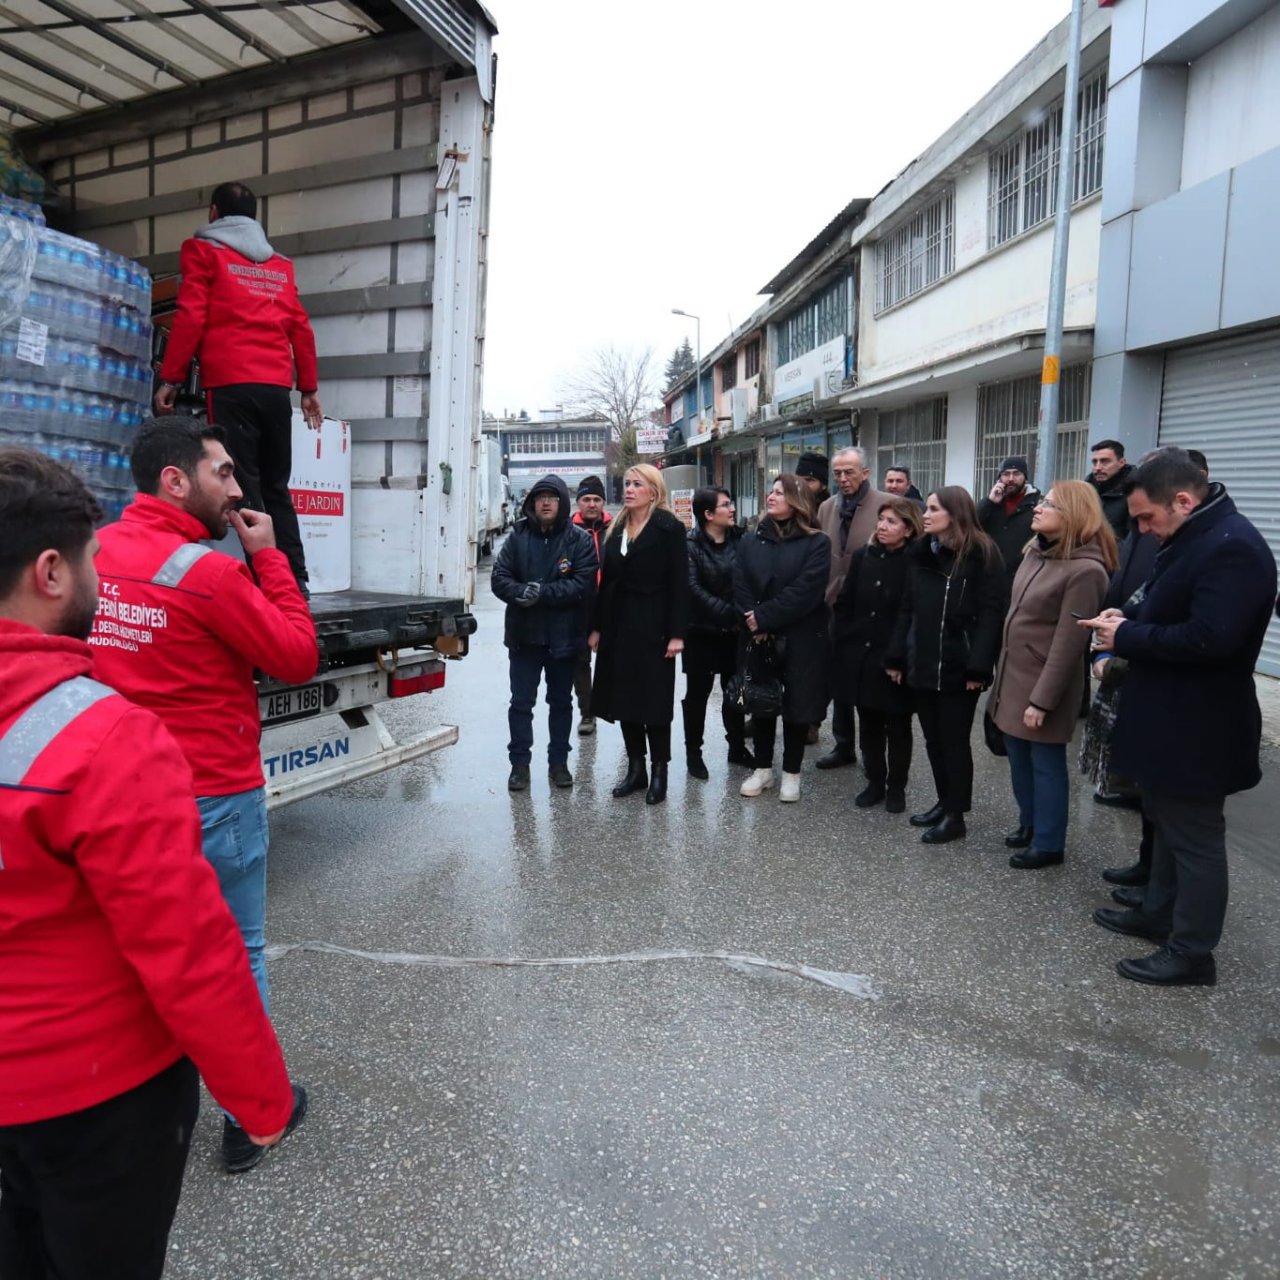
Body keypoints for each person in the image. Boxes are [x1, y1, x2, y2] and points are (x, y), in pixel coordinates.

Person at [0, 448, 303, 1280]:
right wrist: (261, 1101)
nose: (235, 487)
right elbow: (188, 954)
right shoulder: (109, 737)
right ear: (51, 573)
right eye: (90, 563)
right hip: (94, 1091)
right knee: (240, 941)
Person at [89, 416, 317, 1172]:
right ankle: (252, 1115)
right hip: (215, 796)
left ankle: (135, 1111)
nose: (238, 488)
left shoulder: (95, 555)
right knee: (235, 953)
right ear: (175, 480)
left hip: (122, 795)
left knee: (133, 954)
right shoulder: (209, 574)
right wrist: (269, 559)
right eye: (223, 473)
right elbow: (295, 655)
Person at [1082, 448, 1275, 987]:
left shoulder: (1232, 546)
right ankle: (1158, 913)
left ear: (1184, 501)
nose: (1143, 530)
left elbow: (1211, 638)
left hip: (1200, 726)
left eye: (1147, 518)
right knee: (1167, 826)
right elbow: (1170, 602)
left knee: (1195, 841)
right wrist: (1128, 614)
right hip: (1170, 718)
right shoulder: (1195, 535)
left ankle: (1192, 953)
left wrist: (1127, 636)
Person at [154, 181, 321, 593]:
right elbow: (300, 326)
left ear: (214, 213)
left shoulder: (204, 251)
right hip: (275, 388)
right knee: (276, 487)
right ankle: (297, 579)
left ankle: (269, 584)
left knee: (242, 486)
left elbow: (192, 314)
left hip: (231, 383)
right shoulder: (280, 265)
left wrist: (171, 377)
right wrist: (308, 388)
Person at [987, 481, 1116, 869]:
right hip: (1014, 675)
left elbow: (1067, 644)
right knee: (1018, 757)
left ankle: (1048, 843)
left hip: (1045, 681)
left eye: (1049, 504)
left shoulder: (1086, 571)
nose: (1038, 508)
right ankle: (1029, 823)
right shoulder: (1036, 551)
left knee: (1045, 764)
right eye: (1041, 501)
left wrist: (1042, 701)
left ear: (1073, 515)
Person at [886, 486, 1006, 844]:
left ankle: (956, 815)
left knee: (954, 742)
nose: (925, 515)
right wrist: (897, 656)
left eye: (933, 509)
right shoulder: (922, 553)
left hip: (960, 666)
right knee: (933, 740)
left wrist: (979, 666)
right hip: (923, 661)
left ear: (955, 514)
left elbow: (991, 614)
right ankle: (943, 801)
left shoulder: (983, 554)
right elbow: (907, 608)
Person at [589, 464, 689, 805]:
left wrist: (677, 633)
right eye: (627, 483)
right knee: (624, 698)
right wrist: (597, 627)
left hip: (654, 626)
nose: (629, 489)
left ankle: (660, 771)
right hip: (618, 626)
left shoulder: (670, 528)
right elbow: (607, 582)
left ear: (654, 492)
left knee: (654, 702)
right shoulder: (616, 527)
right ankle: (636, 768)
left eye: (637, 484)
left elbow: (679, 583)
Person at [491, 476, 598, 792]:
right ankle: (519, 766)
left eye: (552, 497)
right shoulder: (517, 536)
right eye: (541, 497)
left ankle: (559, 763)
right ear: (532, 503)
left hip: (564, 639)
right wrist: (520, 592)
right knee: (521, 704)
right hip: (524, 638)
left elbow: (583, 584)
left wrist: (543, 593)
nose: (546, 502)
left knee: (561, 703)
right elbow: (499, 578)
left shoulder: (578, 540)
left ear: (562, 502)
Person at [734, 475, 832, 803]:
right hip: (759, 637)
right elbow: (740, 582)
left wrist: (764, 617)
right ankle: (762, 769)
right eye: (772, 491)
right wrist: (753, 620)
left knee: (796, 706)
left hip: (801, 636)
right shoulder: (751, 540)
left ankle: (792, 773)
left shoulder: (817, 543)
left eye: (780, 492)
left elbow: (807, 591)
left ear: (797, 501)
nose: (771, 496)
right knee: (762, 702)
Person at [831, 496, 924, 812]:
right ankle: (874, 782)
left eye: (891, 522)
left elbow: (913, 614)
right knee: (868, 723)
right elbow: (845, 602)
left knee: (897, 726)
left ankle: (896, 787)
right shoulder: (863, 556)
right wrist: (844, 639)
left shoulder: (916, 562)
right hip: (861, 654)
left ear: (908, 529)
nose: (882, 526)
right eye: (881, 520)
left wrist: (899, 657)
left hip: (896, 657)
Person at [813, 447, 890, 772]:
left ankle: (875, 754)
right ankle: (843, 744)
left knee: (871, 683)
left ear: (865, 473)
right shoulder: (827, 507)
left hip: (873, 609)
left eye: (849, 472)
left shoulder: (886, 505)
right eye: (838, 473)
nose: (843, 479)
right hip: (833, 606)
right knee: (839, 677)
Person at [683, 486, 753, 778]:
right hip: (701, 632)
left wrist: (740, 613)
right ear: (709, 514)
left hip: (736, 633)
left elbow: (751, 577)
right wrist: (728, 611)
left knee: (735, 690)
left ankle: (736, 747)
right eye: (726, 505)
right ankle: (694, 754)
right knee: (697, 695)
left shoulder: (743, 540)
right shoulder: (690, 544)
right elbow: (691, 587)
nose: (732, 508)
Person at [570, 475, 611, 737]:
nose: (592, 504)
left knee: (617, 661)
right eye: (586, 499)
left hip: (611, 605)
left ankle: (624, 710)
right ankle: (587, 713)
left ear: (603, 502)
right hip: (579, 607)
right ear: (578, 503)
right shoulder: (567, 531)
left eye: (597, 499)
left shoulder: (617, 528)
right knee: (580, 662)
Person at [978, 456, 1040, 590]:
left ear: (1025, 477)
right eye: (1006, 474)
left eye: (1016, 474)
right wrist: (989, 502)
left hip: (1021, 580)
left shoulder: (1037, 504)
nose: (1011, 479)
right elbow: (973, 524)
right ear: (999, 478)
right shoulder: (992, 503)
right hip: (988, 580)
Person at [1085, 439, 1134, 541]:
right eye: (1095, 462)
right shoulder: (1086, 489)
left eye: (1105, 461)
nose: (1098, 468)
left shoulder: (1134, 490)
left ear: (1122, 462)